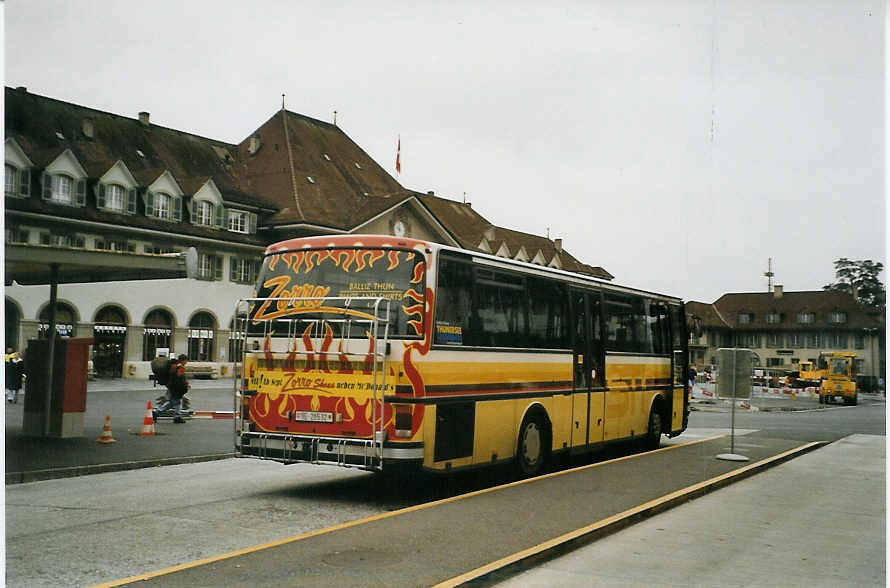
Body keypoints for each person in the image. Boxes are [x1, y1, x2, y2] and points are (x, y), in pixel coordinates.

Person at [160, 354, 190, 423]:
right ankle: (158, 411)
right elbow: (180, 378)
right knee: (175, 401)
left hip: (171, 386)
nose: (186, 362)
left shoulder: (174, 366)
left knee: (175, 402)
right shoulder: (180, 367)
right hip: (176, 388)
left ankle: (177, 416)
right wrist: (185, 385)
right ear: (183, 360)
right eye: (186, 361)